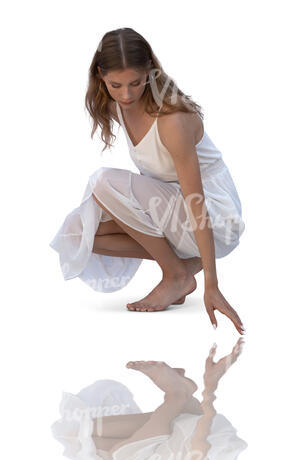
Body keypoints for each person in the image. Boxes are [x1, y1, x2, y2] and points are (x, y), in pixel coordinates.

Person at [50, 27, 246, 333]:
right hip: (169, 206)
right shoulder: (118, 107)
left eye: (136, 83)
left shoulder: (172, 120)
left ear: (150, 73)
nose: (126, 95)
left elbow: (196, 201)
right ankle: (182, 267)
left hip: (215, 217)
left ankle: (177, 275)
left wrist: (212, 283)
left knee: (103, 182)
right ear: (100, 75)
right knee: (77, 233)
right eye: (116, 85)